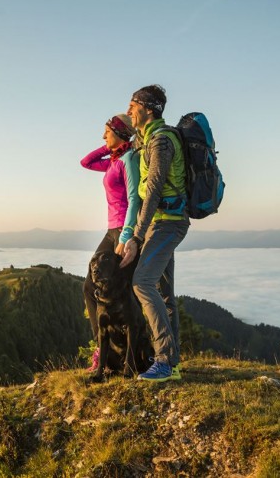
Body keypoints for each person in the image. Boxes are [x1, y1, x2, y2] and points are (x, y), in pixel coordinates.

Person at [120, 84, 188, 382]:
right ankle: (172, 364)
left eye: (132, 105)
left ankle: (163, 359)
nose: (128, 111)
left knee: (142, 283)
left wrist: (136, 237)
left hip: (167, 222)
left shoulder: (160, 142)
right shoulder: (148, 139)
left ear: (147, 108)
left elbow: (154, 190)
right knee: (163, 292)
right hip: (163, 222)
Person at [80, 113, 140, 371]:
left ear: (120, 132)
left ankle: (135, 355)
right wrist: (110, 146)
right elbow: (86, 162)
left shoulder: (128, 160)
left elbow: (135, 199)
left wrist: (127, 236)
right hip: (111, 229)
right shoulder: (114, 160)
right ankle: (101, 349)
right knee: (89, 286)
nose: (103, 136)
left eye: (107, 132)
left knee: (128, 292)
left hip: (123, 230)